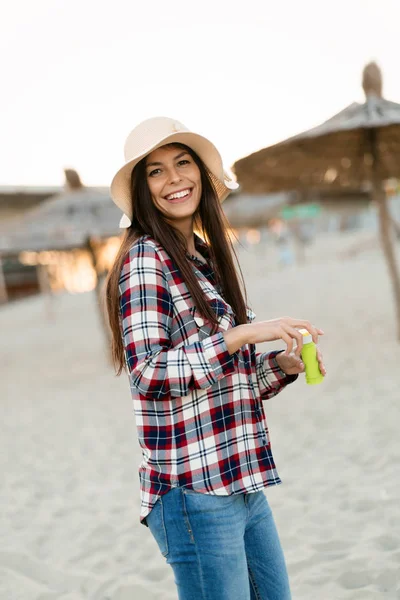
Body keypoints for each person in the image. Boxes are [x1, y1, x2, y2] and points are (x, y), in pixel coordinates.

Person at [105, 117, 326, 600]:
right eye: (155, 172)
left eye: (183, 163)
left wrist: (277, 369)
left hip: (240, 478)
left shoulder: (202, 258)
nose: (175, 179)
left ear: (203, 174)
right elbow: (147, 373)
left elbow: (222, 383)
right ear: (143, 191)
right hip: (193, 492)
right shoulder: (145, 260)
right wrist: (237, 336)